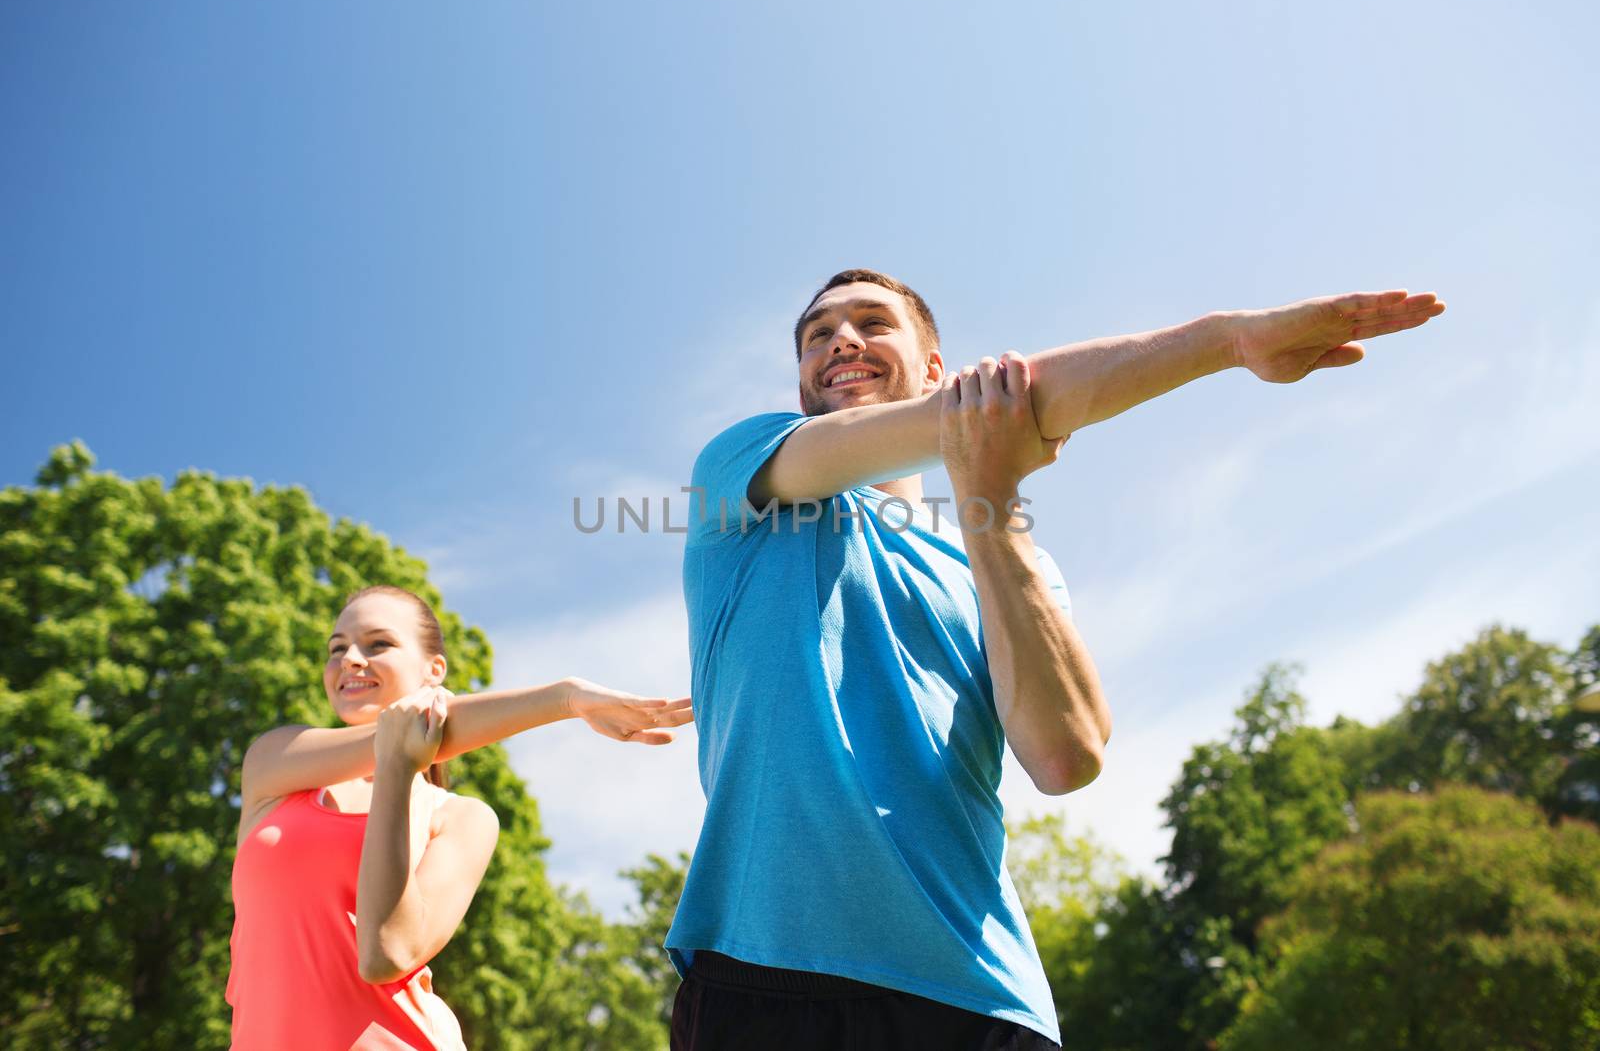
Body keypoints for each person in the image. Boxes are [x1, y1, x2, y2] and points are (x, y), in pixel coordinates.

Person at [666, 268, 1445, 1049]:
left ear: (937, 368)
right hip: (766, 980)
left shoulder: (1008, 565)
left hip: (983, 1000)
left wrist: (992, 504)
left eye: (873, 322)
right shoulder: (741, 478)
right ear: (802, 383)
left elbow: (1066, 757)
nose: (841, 339)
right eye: (817, 334)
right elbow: (1016, 399)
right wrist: (1230, 341)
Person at [226, 584, 692, 1051]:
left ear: (435, 672)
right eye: (337, 648)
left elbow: (386, 955)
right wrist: (565, 698)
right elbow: (392, 740)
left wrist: (398, 767)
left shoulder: (461, 819)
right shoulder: (275, 764)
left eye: (378, 644)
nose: (349, 658)